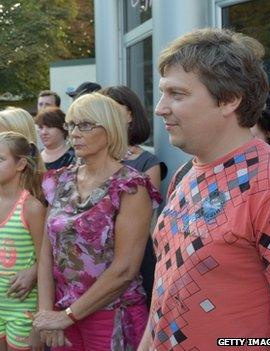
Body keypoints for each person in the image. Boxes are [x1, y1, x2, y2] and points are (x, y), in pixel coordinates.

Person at [137, 28, 270, 351]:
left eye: (177, 94)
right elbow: (166, 287)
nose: (160, 108)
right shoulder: (184, 174)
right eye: (163, 93)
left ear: (230, 100)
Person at [33, 93, 161, 350]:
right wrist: (47, 314)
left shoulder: (131, 186)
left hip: (112, 315)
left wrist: (66, 316)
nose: (75, 133)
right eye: (72, 125)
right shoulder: (60, 180)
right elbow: (46, 253)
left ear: (110, 128)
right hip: (62, 312)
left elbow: (125, 270)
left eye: (86, 125)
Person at [0, 131, 46, 351]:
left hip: (22, 310)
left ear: (20, 163)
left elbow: (45, 263)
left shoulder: (32, 208)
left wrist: (39, 322)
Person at [100, 85, 163, 306]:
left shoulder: (147, 163)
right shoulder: (87, 159)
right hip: (89, 259)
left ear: (130, 114)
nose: (105, 116)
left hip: (129, 261)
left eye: (112, 109)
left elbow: (142, 222)